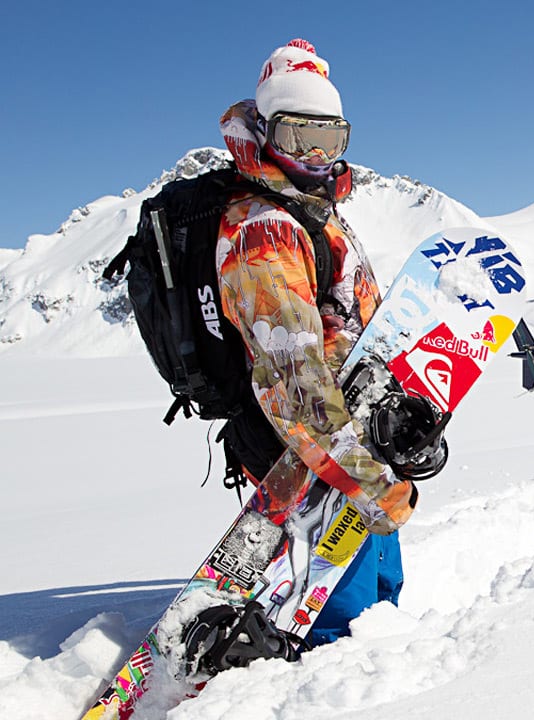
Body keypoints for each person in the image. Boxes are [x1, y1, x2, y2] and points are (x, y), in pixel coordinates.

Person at [215, 39, 428, 645]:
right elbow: (294, 385)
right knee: (343, 627)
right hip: (313, 459)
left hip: (352, 449)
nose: (313, 156)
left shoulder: (314, 211)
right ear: (265, 133)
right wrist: (371, 484)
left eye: (328, 140)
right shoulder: (263, 230)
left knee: (379, 609)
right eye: (296, 137)